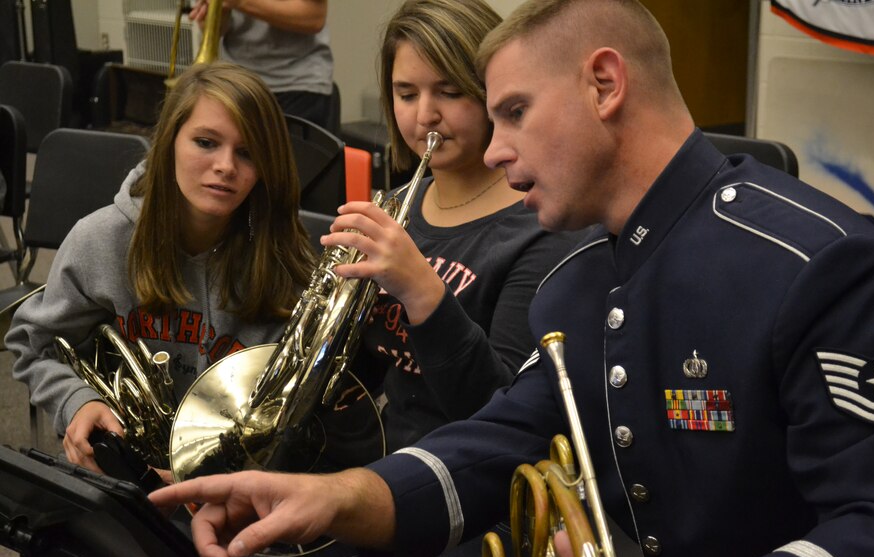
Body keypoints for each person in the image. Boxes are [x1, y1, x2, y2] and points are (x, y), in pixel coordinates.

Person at [150, 1, 874, 557]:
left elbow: (873, 521)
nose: (496, 150)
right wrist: (337, 496)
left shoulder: (816, 258)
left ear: (603, 84)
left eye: (513, 112)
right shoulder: (579, 283)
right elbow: (498, 442)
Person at [5, 61, 315, 475]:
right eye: (206, 142)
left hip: (236, 482)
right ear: (170, 141)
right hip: (119, 477)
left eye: (247, 152)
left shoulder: (282, 259)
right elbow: (34, 343)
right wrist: (78, 401)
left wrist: (207, 475)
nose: (225, 166)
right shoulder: (102, 239)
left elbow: (293, 404)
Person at [324, 0, 579, 452]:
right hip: (378, 457)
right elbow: (355, 375)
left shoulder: (545, 224)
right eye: (406, 94)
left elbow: (502, 412)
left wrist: (421, 289)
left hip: (469, 480)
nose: (425, 115)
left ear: (492, 92)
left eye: (449, 91)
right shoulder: (397, 208)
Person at [189, 0, 335, 132]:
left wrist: (240, 3)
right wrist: (213, 16)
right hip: (238, 85)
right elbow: (221, 28)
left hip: (296, 84)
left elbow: (314, 18)